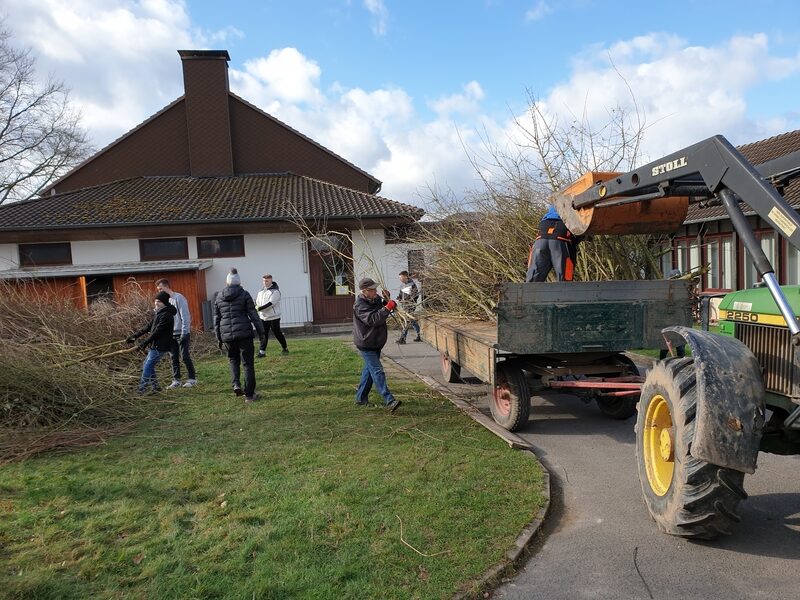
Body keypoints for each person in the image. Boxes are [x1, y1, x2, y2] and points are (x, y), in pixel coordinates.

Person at [214, 268, 266, 403]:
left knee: (233, 360)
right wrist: (261, 332)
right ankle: (249, 395)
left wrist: (218, 337)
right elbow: (253, 315)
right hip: (244, 334)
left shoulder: (219, 296)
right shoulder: (244, 294)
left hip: (227, 336)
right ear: (239, 282)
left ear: (227, 282)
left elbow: (216, 319)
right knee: (247, 364)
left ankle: (236, 384)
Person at [353, 277, 402, 412]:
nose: (375, 291)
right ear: (365, 291)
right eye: (372, 289)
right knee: (377, 370)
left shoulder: (375, 300)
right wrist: (387, 308)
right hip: (366, 343)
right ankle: (389, 400)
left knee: (369, 371)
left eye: (375, 289)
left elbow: (381, 309)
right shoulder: (360, 305)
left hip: (375, 342)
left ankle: (360, 398)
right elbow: (373, 319)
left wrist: (386, 300)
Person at [127, 291, 177, 394]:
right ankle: (156, 387)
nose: (156, 303)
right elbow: (148, 327)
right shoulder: (159, 313)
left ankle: (141, 389)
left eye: (159, 301)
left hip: (161, 346)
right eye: (155, 301)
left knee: (147, 366)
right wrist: (134, 337)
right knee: (147, 364)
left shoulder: (166, 315)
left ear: (164, 302)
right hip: (156, 345)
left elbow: (157, 333)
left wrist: (144, 343)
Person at [155, 279, 197, 388]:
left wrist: (185, 332)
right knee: (173, 357)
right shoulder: (163, 301)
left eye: (160, 289)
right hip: (170, 334)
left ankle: (192, 379)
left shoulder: (178, 298)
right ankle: (176, 380)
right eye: (158, 290)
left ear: (167, 287)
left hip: (182, 332)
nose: (159, 291)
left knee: (185, 356)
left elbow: (185, 316)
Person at [525, 204, 581, 282]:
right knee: (565, 279)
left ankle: (528, 292)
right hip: (562, 230)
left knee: (533, 278)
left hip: (543, 232)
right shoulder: (577, 204)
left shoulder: (557, 201)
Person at [255, 274, 289, 356]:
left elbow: (271, 304)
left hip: (274, 317)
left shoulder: (275, 292)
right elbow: (257, 302)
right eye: (263, 281)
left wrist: (259, 309)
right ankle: (262, 352)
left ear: (271, 280)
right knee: (264, 334)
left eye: (267, 281)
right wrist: (257, 307)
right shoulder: (260, 291)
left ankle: (285, 347)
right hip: (263, 317)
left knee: (277, 333)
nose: (265, 282)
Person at [660, 268, 687, 360]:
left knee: (679, 344)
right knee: (666, 344)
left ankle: (680, 361)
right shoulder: (665, 289)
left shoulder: (683, 288)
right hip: (669, 319)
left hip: (678, 319)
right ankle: (662, 363)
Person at [396, 270, 421, 344]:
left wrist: (408, 301)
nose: (400, 279)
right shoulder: (403, 285)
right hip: (404, 306)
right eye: (399, 278)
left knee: (406, 321)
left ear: (406, 276)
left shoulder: (412, 285)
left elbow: (415, 295)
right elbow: (401, 294)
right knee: (412, 321)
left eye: (401, 278)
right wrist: (399, 298)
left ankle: (403, 338)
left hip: (410, 306)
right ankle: (419, 335)